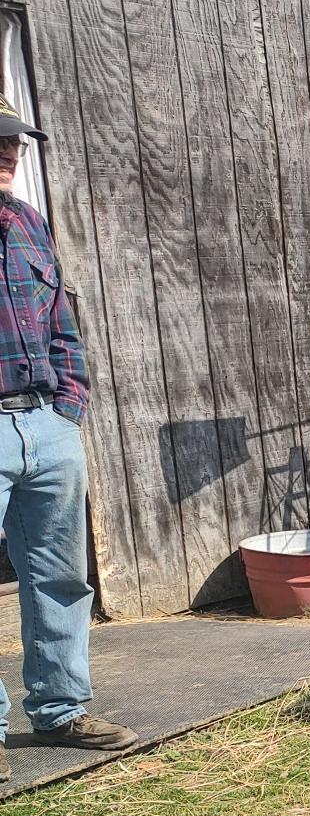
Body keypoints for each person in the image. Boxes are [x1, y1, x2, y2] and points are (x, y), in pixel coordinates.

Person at [0, 94, 135, 781]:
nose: (8, 153)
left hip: (44, 425)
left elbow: (62, 323)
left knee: (58, 575)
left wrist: (68, 406)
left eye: (14, 143)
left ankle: (59, 709)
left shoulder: (28, 223)